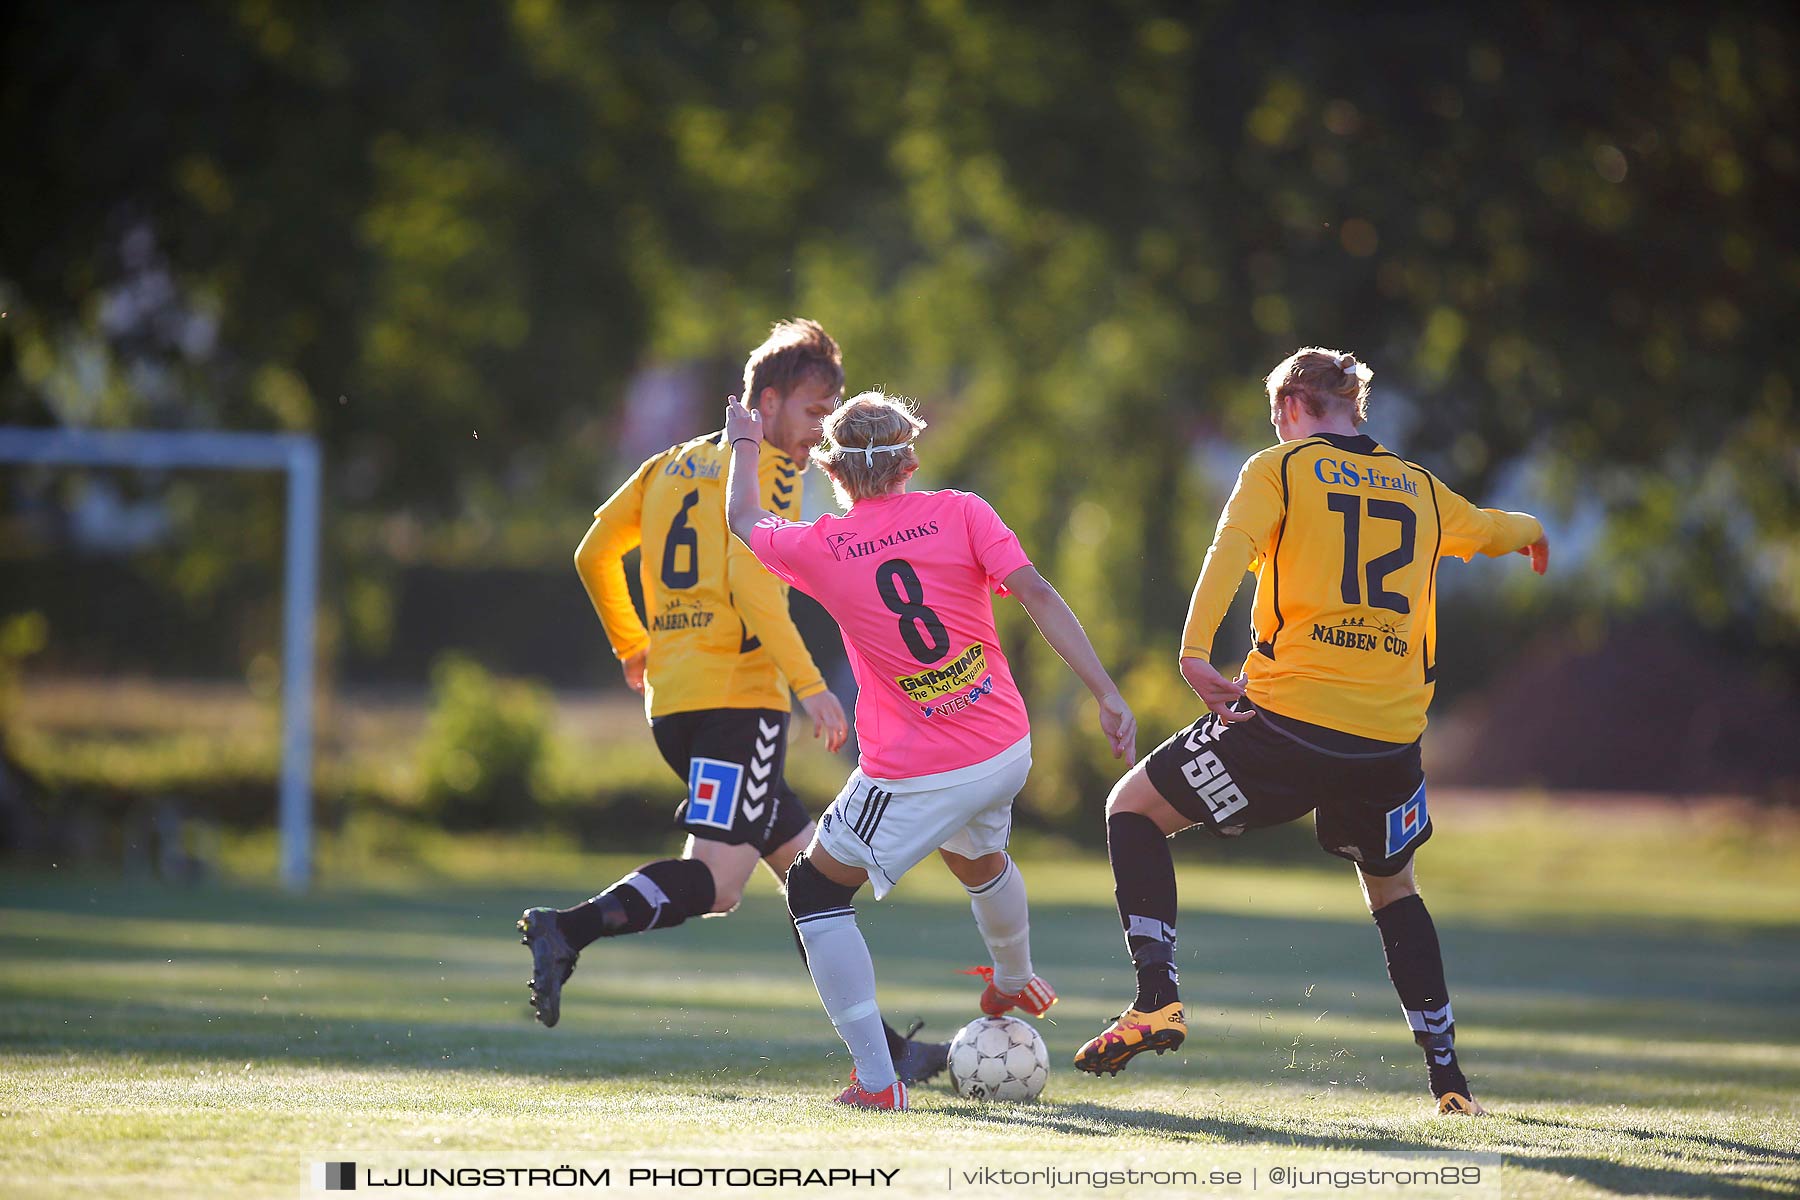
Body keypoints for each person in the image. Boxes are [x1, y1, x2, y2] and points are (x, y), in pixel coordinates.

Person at [1075, 347, 1549, 1116]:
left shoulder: (1281, 468)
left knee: (1132, 809)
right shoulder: (1422, 489)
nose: (1275, 427)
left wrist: (1195, 653)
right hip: (1389, 741)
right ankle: (1449, 1078)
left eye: (1275, 415)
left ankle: (1156, 999)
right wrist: (1532, 530)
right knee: (1394, 889)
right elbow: (1493, 529)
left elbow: (1228, 551)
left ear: (1294, 404)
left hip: (1288, 723)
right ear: (1351, 406)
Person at [516, 319, 947, 1082]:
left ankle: (888, 1052)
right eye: (815, 413)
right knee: (716, 884)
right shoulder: (770, 472)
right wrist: (811, 689)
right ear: (769, 402)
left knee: (812, 881)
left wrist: (632, 643)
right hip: (738, 706)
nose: (819, 433)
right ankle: (566, 929)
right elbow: (755, 588)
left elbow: (593, 552)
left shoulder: (667, 466)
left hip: (677, 703)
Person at [723, 389, 1137, 1110]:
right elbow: (1036, 592)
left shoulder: (821, 545)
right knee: (974, 857)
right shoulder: (964, 511)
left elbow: (740, 519)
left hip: (919, 768)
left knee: (815, 892)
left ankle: (880, 1084)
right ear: (911, 459)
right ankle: (1013, 975)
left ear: (833, 471)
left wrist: (746, 442)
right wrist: (1106, 691)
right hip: (1004, 746)